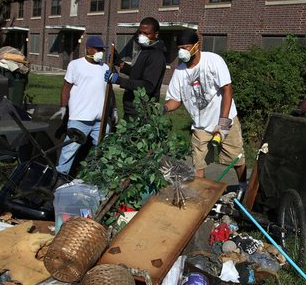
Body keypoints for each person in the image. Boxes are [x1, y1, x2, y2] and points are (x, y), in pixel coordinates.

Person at [163, 29, 247, 193]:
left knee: (236, 157)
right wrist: (164, 108)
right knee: (198, 163)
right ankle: (200, 195)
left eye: (186, 47)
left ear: (196, 46)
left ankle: (243, 187)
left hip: (224, 119)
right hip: (200, 125)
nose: (182, 51)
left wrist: (223, 123)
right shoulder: (180, 71)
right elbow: (175, 100)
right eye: (180, 48)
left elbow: (227, 90)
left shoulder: (214, 61)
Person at [51, 35, 115, 175]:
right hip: (80, 118)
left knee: (103, 150)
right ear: (88, 49)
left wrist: (113, 109)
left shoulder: (105, 67)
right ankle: (60, 177)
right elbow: (66, 87)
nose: (100, 52)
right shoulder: (75, 65)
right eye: (97, 49)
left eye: (102, 50)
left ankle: (98, 177)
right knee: (69, 151)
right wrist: (63, 107)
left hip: (101, 120)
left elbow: (109, 91)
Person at [104, 17, 167, 118]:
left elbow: (148, 86)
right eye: (140, 33)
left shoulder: (156, 56)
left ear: (156, 34)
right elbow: (137, 73)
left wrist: (119, 80)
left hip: (142, 112)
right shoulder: (144, 50)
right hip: (132, 109)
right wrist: (119, 62)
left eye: (146, 34)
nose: (142, 36)